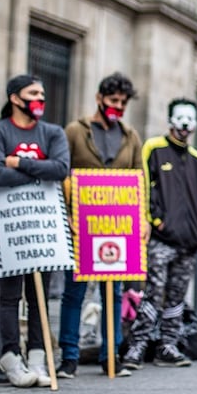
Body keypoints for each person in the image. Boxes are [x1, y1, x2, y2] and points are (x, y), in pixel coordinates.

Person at [0, 74, 70, 387]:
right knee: (7, 296)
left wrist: (17, 162)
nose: (40, 99)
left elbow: (61, 169)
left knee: (39, 297)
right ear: (16, 98)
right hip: (8, 225)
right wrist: (38, 171)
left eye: (42, 94)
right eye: (33, 94)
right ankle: (8, 357)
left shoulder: (53, 132)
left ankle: (37, 356)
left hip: (43, 225)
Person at [58, 73, 144, 378]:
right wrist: (66, 213)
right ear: (99, 98)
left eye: (122, 102)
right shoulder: (75, 132)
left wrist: (142, 219)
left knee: (114, 292)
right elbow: (62, 174)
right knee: (74, 291)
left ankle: (112, 356)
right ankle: (69, 356)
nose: (117, 107)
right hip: (81, 225)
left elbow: (139, 180)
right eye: (112, 101)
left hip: (117, 225)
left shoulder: (130, 136)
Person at [122, 98, 197, 370]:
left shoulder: (196, 158)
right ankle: (137, 346)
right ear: (171, 119)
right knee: (152, 292)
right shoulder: (154, 148)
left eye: (190, 118)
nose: (185, 124)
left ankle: (168, 345)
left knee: (176, 296)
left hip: (189, 240)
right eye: (180, 117)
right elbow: (144, 184)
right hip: (162, 239)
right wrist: (151, 219)